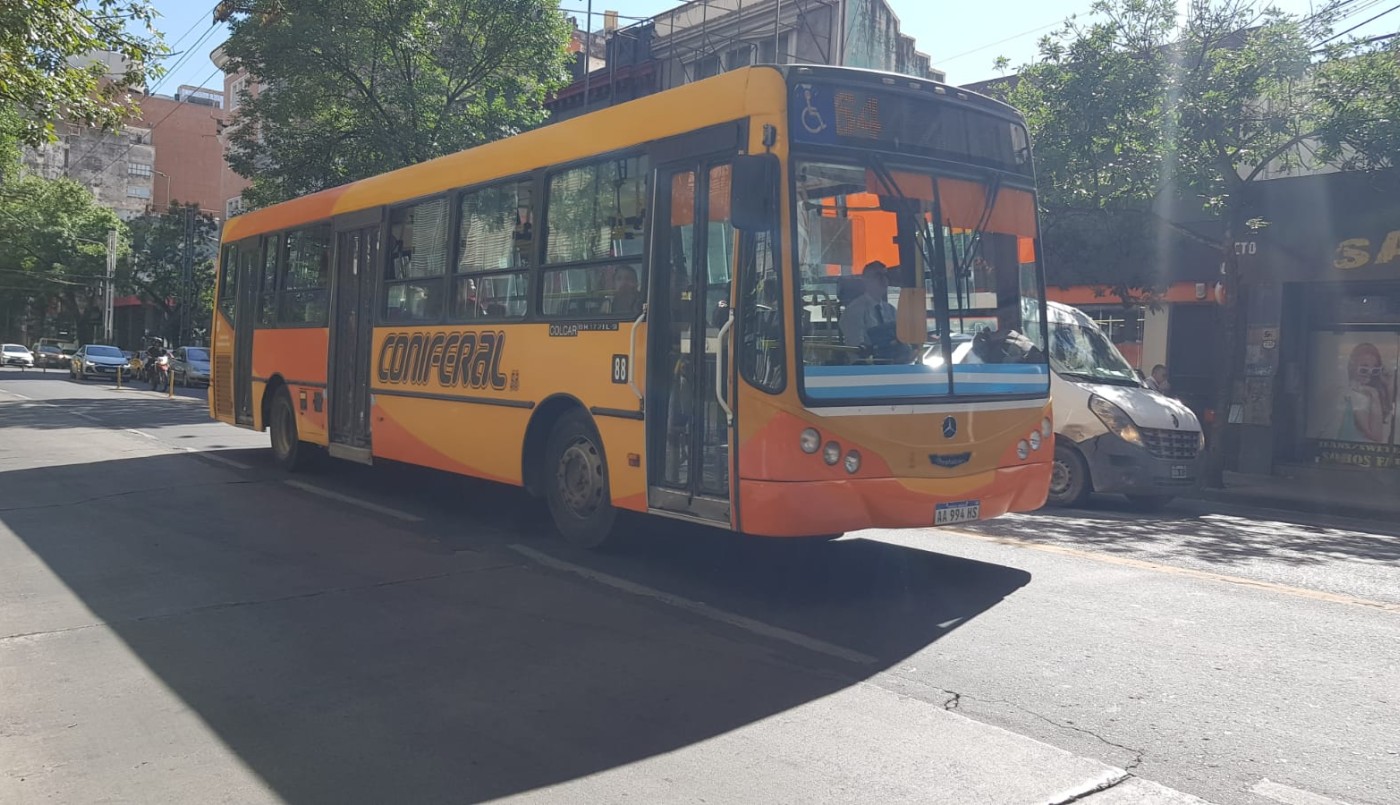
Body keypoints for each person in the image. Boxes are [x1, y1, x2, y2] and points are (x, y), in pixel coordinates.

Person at [1320, 342, 1393, 443]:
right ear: (1353, 366)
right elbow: (1376, 437)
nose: (1369, 374)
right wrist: (1375, 394)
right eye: (1364, 369)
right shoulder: (1356, 395)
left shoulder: (1367, 393)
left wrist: (1388, 385)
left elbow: (1389, 414)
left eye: (1375, 370)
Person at [839, 261, 909, 361]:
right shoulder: (854, 310)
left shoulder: (891, 309)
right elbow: (857, 349)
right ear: (865, 280)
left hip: (893, 364)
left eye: (886, 276)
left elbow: (902, 337)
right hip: (865, 369)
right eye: (878, 276)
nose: (883, 280)